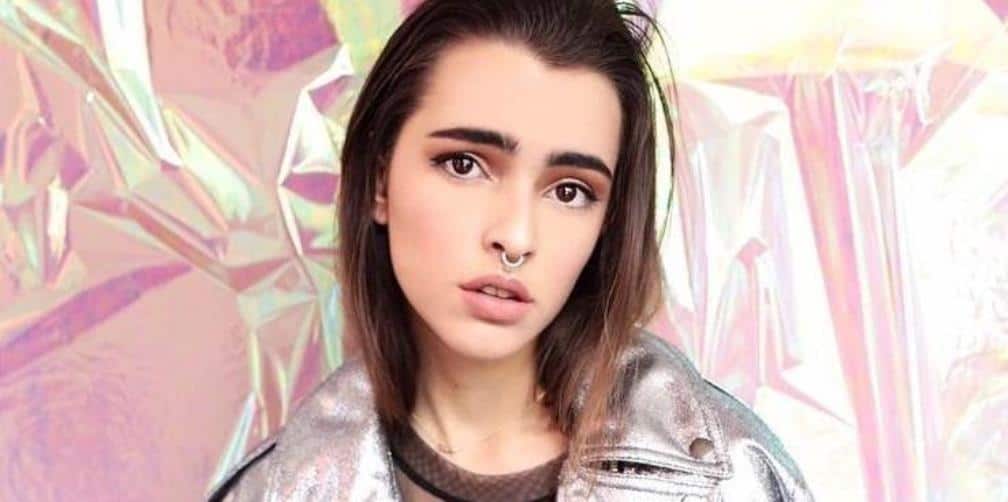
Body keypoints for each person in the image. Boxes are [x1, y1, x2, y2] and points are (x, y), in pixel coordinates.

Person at [207, 0, 813, 500]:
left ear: (608, 223)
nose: (516, 238)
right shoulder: (271, 491)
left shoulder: (736, 481)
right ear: (379, 181)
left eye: (570, 191)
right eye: (465, 164)